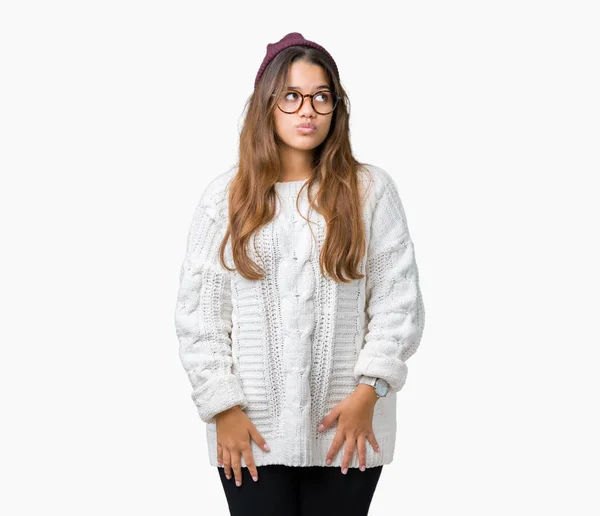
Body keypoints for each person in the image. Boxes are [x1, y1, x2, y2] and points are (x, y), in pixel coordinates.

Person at [174, 32, 426, 516]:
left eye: (320, 96)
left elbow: (398, 302)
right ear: (266, 104)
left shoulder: (370, 190)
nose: (307, 110)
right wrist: (222, 407)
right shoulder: (225, 197)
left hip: (350, 428)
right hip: (250, 431)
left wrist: (369, 391)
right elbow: (200, 316)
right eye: (291, 96)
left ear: (336, 108)